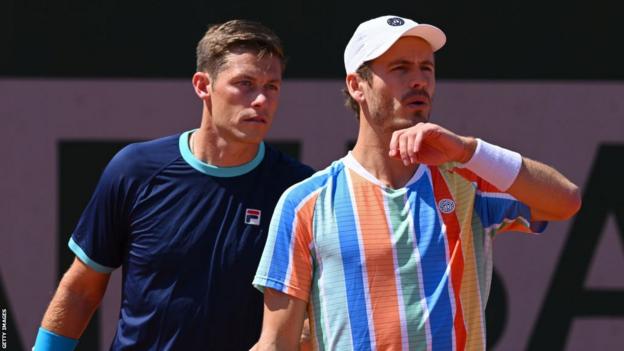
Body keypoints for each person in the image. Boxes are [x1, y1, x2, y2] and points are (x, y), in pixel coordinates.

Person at [252, 15, 581, 350]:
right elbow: (277, 342)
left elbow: (565, 201)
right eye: (400, 69)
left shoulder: (467, 179)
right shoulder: (306, 204)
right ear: (356, 85)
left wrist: (470, 151)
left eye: (427, 68)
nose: (419, 80)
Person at [33, 19, 314, 351]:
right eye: (245, 83)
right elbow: (81, 290)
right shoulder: (134, 170)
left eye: (272, 87)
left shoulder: (299, 190)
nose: (261, 101)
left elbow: (308, 316)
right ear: (202, 85)